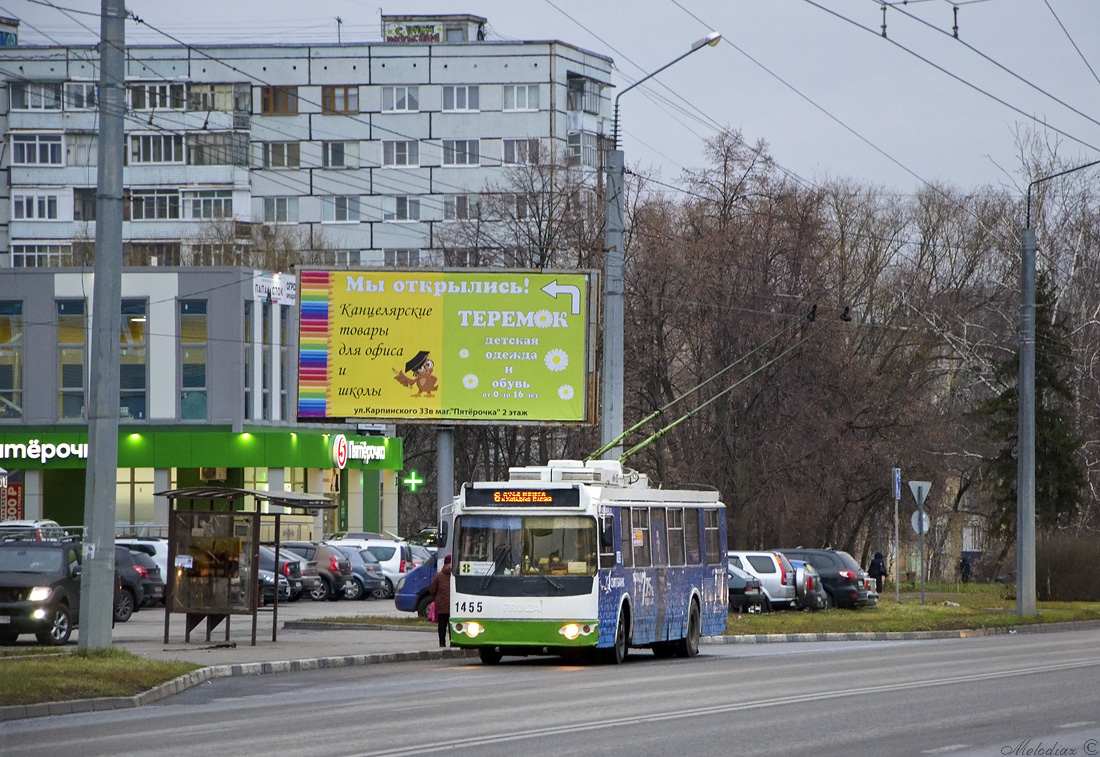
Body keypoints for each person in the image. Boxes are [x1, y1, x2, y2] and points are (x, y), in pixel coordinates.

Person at [429, 554, 452, 647]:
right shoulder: (455, 575)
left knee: (442, 624)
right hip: (453, 604)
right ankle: (453, 641)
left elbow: (432, 589)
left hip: (441, 604)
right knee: (452, 624)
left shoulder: (438, 576)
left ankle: (442, 642)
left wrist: (435, 598)